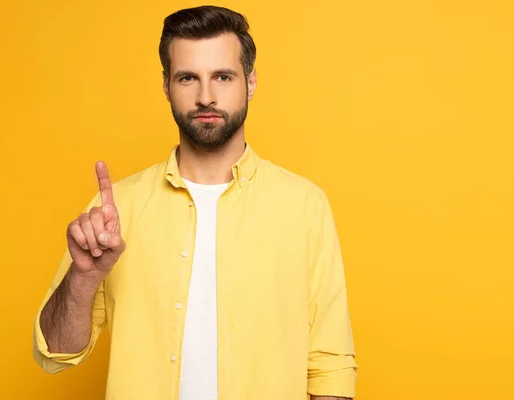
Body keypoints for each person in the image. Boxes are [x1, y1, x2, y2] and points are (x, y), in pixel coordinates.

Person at [33, 5, 358, 399]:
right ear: (167, 85)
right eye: (188, 78)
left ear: (250, 82)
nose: (206, 96)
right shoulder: (116, 210)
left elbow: (330, 368)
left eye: (223, 76)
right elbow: (55, 353)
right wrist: (83, 278)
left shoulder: (305, 205)